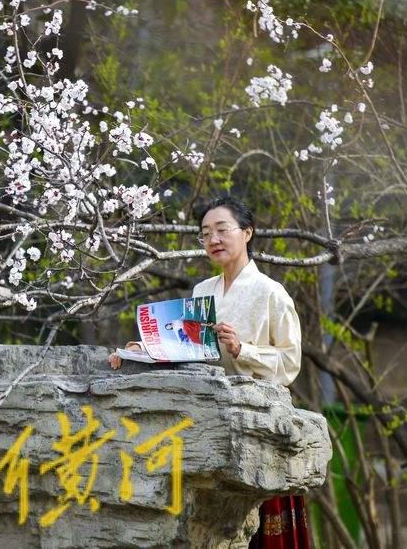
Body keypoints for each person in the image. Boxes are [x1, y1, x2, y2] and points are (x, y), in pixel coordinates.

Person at [109, 196, 310, 548]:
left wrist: (242, 349)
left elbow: (290, 363)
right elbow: (184, 353)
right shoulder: (202, 292)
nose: (213, 239)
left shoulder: (271, 293)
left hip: (258, 422)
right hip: (208, 419)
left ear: (247, 233)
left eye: (222, 230)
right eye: (205, 233)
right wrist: (142, 350)